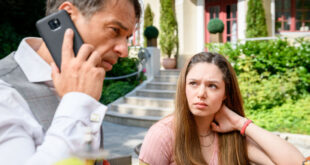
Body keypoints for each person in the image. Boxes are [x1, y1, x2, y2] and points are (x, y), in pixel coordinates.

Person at [0, 0, 141, 164]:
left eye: (127, 37)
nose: (124, 51)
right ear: (68, 15)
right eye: (114, 30)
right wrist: (78, 100)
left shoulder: (84, 81)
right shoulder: (4, 90)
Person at [139, 52, 305, 165]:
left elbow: (297, 163)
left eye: (212, 86)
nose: (201, 94)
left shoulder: (232, 136)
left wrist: (240, 123)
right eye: (193, 84)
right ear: (183, 87)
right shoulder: (163, 135)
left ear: (226, 93)